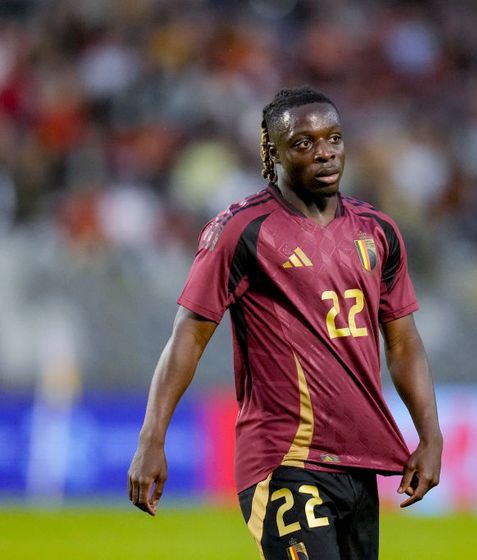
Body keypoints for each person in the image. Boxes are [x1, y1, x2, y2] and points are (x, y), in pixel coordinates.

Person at [128, 86, 443, 560]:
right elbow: (188, 337)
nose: (324, 153)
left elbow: (402, 342)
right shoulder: (242, 230)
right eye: (304, 143)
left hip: (360, 462)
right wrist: (152, 437)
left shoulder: (378, 230)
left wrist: (430, 434)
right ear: (272, 152)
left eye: (333, 139)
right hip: (285, 459)